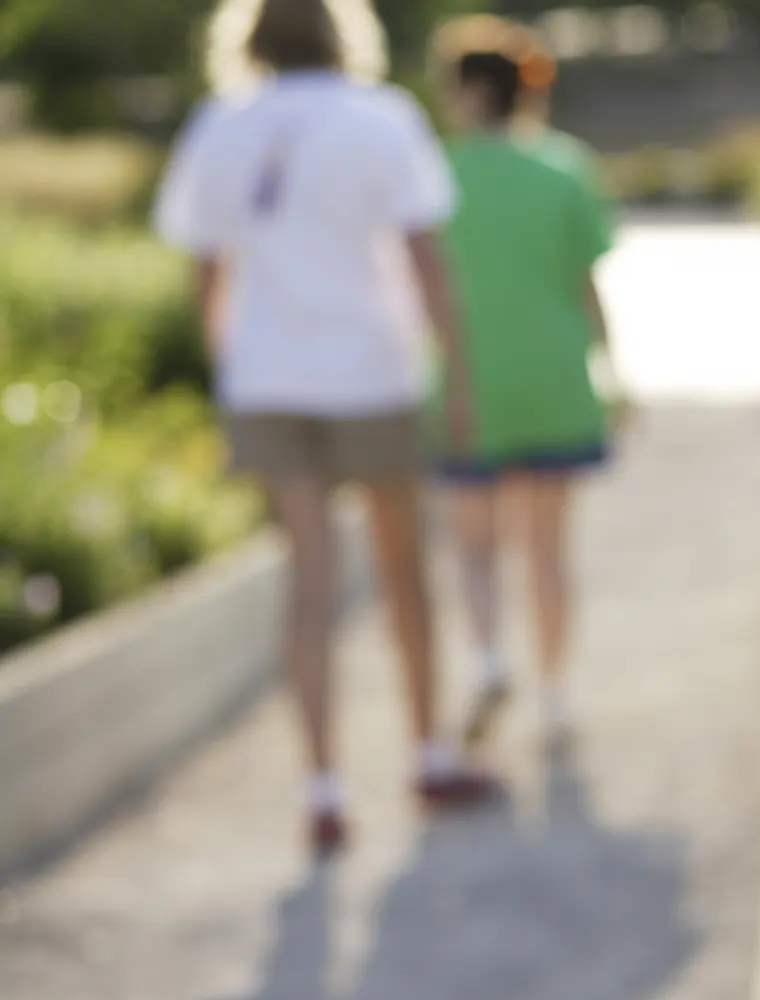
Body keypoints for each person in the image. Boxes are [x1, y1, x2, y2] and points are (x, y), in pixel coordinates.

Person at [153, 0, 497, 856]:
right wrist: (455, 374)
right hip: (369, 371)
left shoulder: (221, 123)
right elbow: (426, 256)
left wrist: (228, 366)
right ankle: (427, 755)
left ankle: (323, 789)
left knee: (308, 585)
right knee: (402, 570)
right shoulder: (380, 118)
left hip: (267, 377)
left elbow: (205, 267)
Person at [426, 16, 618, 742]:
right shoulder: (566, 167)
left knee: (475, 547)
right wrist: (615, 374)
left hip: (470, 381)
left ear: (472, 91)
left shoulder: (438, 176)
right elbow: (588, 286)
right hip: (557, 377)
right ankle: (557, 691)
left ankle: (486, 659)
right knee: (549, 551)